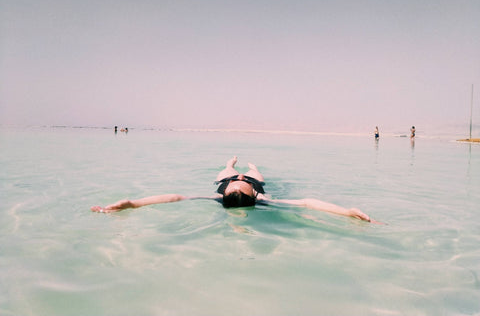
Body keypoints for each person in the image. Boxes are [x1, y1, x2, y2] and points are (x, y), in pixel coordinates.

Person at [91, 157, 378, 223]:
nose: (239, 180)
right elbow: (306, 203)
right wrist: (348, 212)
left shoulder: (223, 192)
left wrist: (134, 203)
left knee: (224, 170)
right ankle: (244, 164)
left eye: (237, 183)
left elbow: (174, 197)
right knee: (255, 171)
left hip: (225, 181)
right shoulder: (259, 194)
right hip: (255, 182)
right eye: (237, 182)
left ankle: (230, 163)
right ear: (254, 194)